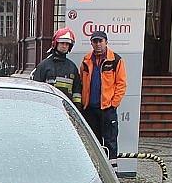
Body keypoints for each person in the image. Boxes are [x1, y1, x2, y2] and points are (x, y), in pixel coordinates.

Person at [78, 30, 126, 161]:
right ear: (91, 43)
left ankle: (112, 172)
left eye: (100, 41)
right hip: (90, 109)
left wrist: (113, 104)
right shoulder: (86, 60)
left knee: (110, 142)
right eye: (95, 41)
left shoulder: (116, 60)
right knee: (94, 142)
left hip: (107, 109)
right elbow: (81, 80)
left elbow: (121, 84)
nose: (98, 44)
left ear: (106, 42)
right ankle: (97, 172)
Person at [31, 28, 82, 107]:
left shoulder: (72, 67)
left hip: (66, 109)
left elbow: (77, 91)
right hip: (47, 107)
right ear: (55, 43)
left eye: (67, 44)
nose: (64, 46)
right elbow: (36, 90)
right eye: (62, 43)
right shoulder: (44, 66)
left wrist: (77, 107)